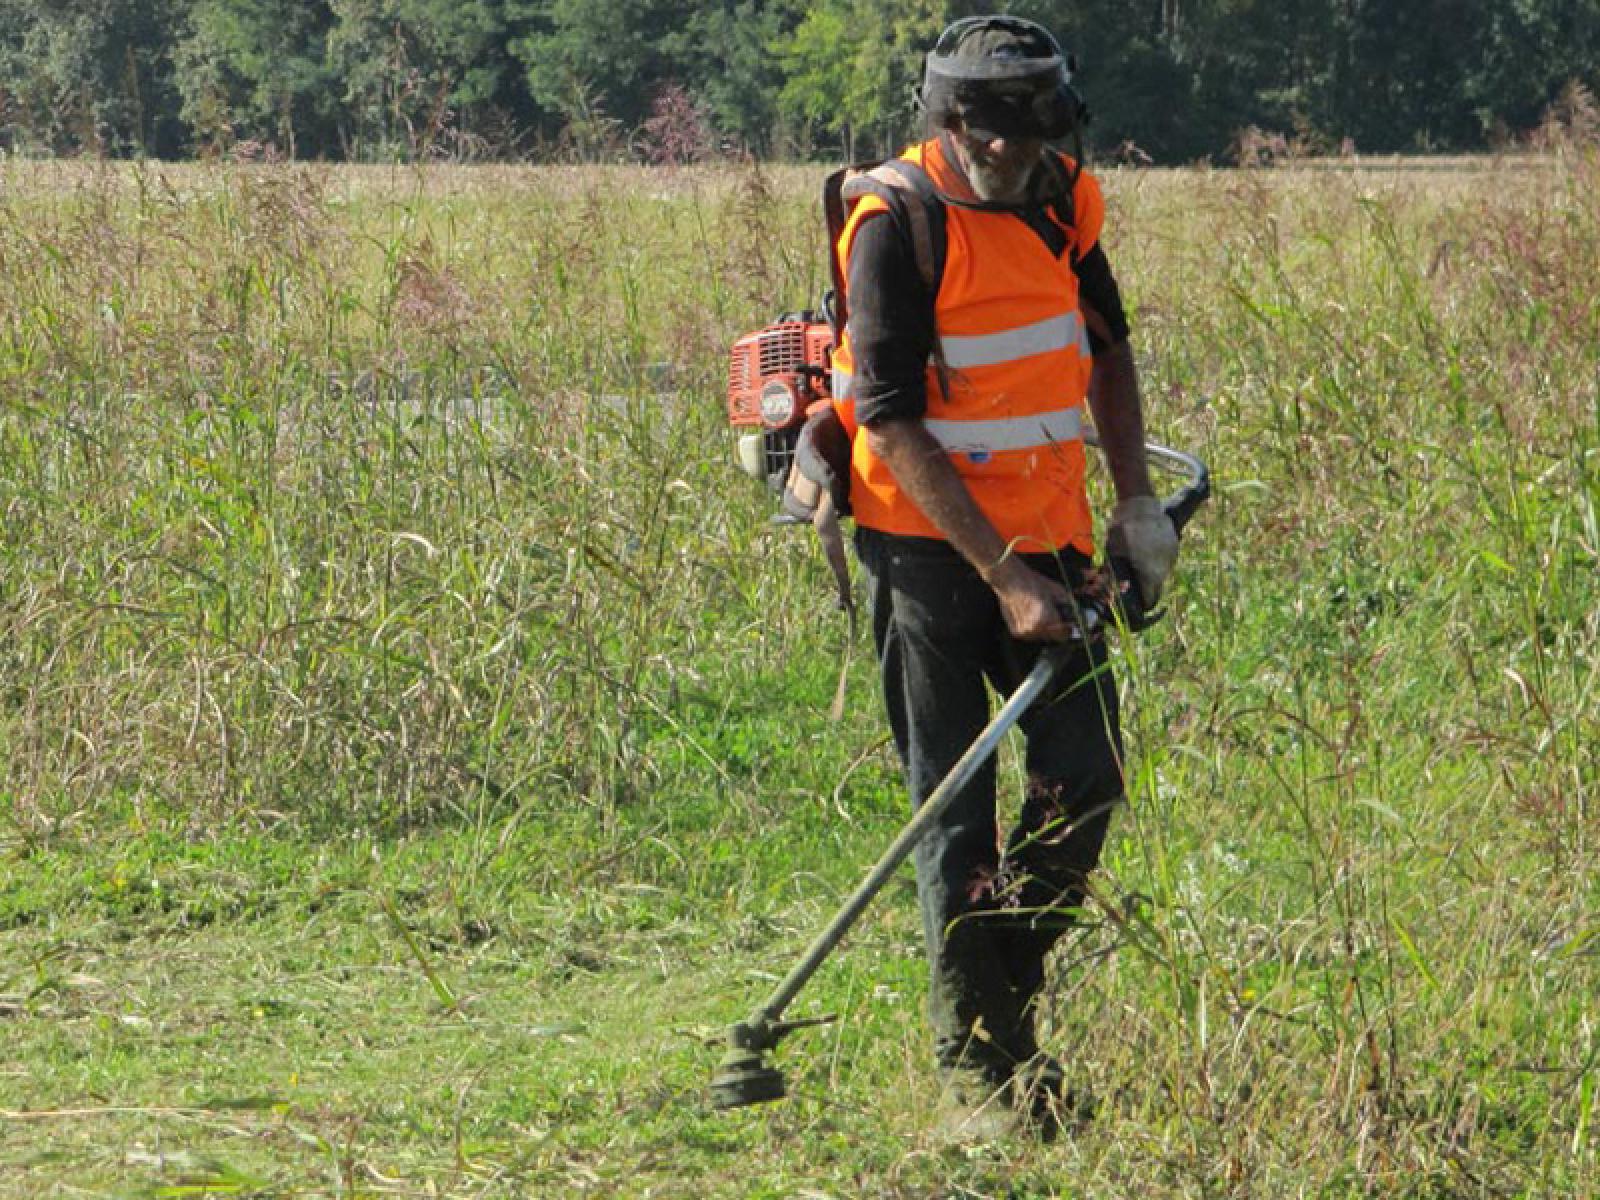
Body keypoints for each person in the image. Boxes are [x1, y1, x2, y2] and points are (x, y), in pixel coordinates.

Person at [828, 15, 1179, 1136]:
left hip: (1056, 537)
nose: (1009, 158)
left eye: (1029, 141)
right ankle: (975, 1059)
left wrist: (1131, 506)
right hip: (926, 552)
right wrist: (1002, 578)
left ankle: (998, 1000)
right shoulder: (897, 221)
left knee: (1086, 781)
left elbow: (1107, 349)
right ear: (950, 120)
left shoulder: (1061, 197)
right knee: (955, 808)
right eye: (989, 139)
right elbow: (882, 412)